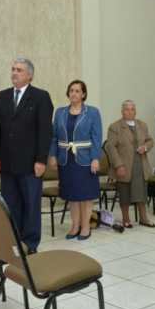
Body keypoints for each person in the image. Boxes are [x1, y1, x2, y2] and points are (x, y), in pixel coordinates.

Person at [0, 57, 54, 252]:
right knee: (11, 204)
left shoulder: (40, 97)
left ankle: (31, 243)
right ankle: (14, 240)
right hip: (7, 162)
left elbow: (45, 132)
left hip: (30, 163)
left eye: (19, 70)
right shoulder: (3, 96)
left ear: (29, 76)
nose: (14, 73)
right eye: (13, 69)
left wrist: (41, 160)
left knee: (31, 204)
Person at [48, 80, 102, 240]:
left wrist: (95, 158)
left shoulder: (92, 112)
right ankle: (75, 225)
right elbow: (54, 136)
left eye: (77, 91)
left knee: (85, 195)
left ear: (83, 94)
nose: (73, 93)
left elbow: (97, 138)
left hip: (86, 160)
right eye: (71, 90)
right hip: (66, 160)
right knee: (72, 195)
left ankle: (85, 226)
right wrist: (52, 155)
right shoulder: (60, 112)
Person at [105, 100, 155, 228]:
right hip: (124, 165)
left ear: (135, 111)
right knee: (125, 193)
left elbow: (150, 141)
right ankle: (126, 218)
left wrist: (145, 147)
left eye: (132, 109)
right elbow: (110, 147)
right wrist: (118, 165)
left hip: (140, 164)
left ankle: (143, 218)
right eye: (127, 109)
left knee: (141, 192)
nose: (130, 112)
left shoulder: (142, 125)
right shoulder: (115, 126)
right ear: (122, 111)